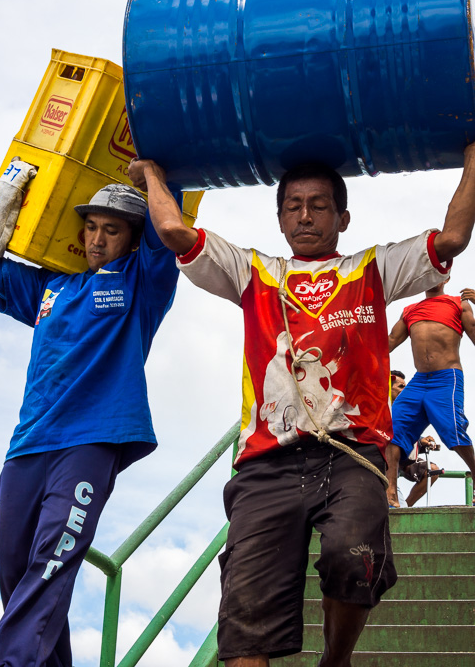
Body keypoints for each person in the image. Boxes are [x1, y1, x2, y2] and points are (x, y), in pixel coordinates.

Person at [129, 145, 475, 667]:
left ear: (343, 218)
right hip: (267, 461)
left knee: (355, 557)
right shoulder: (254, 272)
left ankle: (335, 660)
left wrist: (473, 159)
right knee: (244, 618)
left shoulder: (373, 268)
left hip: (351, 453)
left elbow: (451, 239)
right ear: (280, 218)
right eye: (293, 206)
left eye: (318, 205)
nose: (305, 216)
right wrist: (154, 174)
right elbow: (176, 233)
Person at [0, 178, 180, 667]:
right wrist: (4, 201)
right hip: (28, 443)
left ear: (133, 239)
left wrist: (157, 176)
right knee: (15, 571)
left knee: (52, 560)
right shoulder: (51, 288)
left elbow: (167, 228)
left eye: (111, 230)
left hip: (91, 442)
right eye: (92, 227)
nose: (97, 239)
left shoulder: (142, 283)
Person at [386, 279, 475, 508]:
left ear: (446, 278)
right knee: (393, 430)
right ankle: (391, 492)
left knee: (453, 431)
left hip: (446, 378)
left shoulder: (459, 304)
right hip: (419, 381)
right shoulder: (410, 310)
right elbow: (389, 342)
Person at [390, 370, 442, 507]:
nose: (405, 391)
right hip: (385, 461)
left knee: (432, 470)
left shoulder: (406, 409)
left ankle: (406, 507)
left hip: (403, 458)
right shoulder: (382, 409)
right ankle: (399, 507)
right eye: (401, 386)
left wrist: (421, 441)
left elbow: (406, 431)